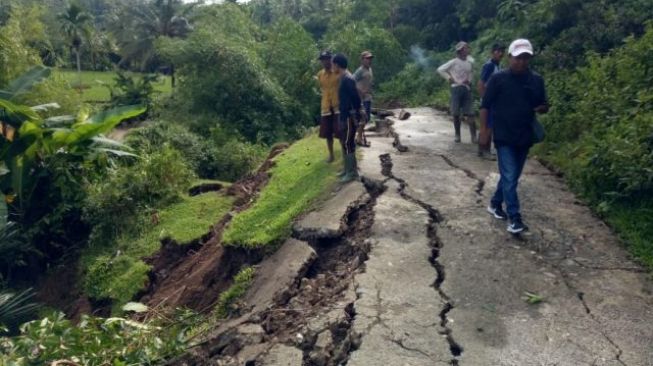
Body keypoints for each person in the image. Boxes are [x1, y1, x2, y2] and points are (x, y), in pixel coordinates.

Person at [479, 39, 549, 233]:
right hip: (503, 135)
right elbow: (485, 105)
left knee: (512, 177)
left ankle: (494, 203)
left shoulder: (536, 80)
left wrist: (541, 108)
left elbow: (543, 104)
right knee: (510, 175)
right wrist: (484, 131)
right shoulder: (498, 79)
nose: (521, 62)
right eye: (518, 58)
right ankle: (515, 218)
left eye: (526, 58)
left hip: (524, 135)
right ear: (510, 57)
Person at [332, 53, 365, 183]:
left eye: (333, 64)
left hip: (350, 116)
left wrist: (358, 112)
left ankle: (352, 172)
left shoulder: (348, 79)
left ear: (337, 65)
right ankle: (347, 169)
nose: (332, 66)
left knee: (348, 141)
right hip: (344, 114)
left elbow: (355, 98)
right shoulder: (344, 78)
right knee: (344, 141)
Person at [437, 41, 476, 143]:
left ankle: (474, 136)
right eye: (466, 48)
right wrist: (449, 78)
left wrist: (470, 81)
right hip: (456, 88)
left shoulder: (469, 62)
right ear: (461, 50)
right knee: (456, 113)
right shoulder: (453, 62)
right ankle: (457, 135)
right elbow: (440, 69)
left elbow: (471, 73)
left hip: (466, 88)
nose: (468, 50)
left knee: (471, 113)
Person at [477, 43, 506, 159]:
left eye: (502, 51)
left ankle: (482, 150)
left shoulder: (497, 65)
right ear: (492, 52)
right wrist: (485, 100)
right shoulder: (489, 66)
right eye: (498, 51)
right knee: (487, 127)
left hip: (493, 100)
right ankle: (485, 151)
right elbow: (480, 84)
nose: (500, 53)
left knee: (489, 126)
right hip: (488, 101)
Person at [316, 50, 340, 163]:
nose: (325, 62)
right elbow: (321, 88)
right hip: (326, 106)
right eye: (323, 60)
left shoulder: (338, 72)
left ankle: (345, 154)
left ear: (331, 59)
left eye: (327, 59)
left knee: (340, 131)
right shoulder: (320, 75)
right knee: (328, 133)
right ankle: (331, 155)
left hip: (337, 105)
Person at [353, 50, 374, 147]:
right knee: (363, 118)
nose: (369, 60)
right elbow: (351, 82)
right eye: (367, 58)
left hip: (368, 97)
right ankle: (358, 138)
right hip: (361, 98)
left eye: (370, 58)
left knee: (367, 118)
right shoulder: (360, 70)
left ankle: (358, 137)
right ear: (362, 60)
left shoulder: (369, 69)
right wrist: (360, 92)